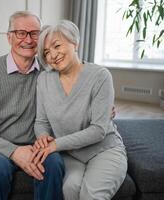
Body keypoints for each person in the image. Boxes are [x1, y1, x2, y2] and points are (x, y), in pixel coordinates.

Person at [0, 11, 64, 200]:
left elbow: (78, 68)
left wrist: (97, 103)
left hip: (38, 145)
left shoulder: (49, 71)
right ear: (9, 37)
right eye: (20, 33)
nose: (28, 39)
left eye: (34, 33)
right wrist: (14, 151)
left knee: (55, 164)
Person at [33, 20, 128, 200]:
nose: (52, 55)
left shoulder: (100, 76)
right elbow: (41, 122)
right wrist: (43, 137)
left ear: (74, 43)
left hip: (104, 150)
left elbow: (99, 130)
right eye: (46, 52)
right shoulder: (44, 79)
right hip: (70, 155)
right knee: (69, 190)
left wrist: (55, 145)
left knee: (91, 195)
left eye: (57, 46)